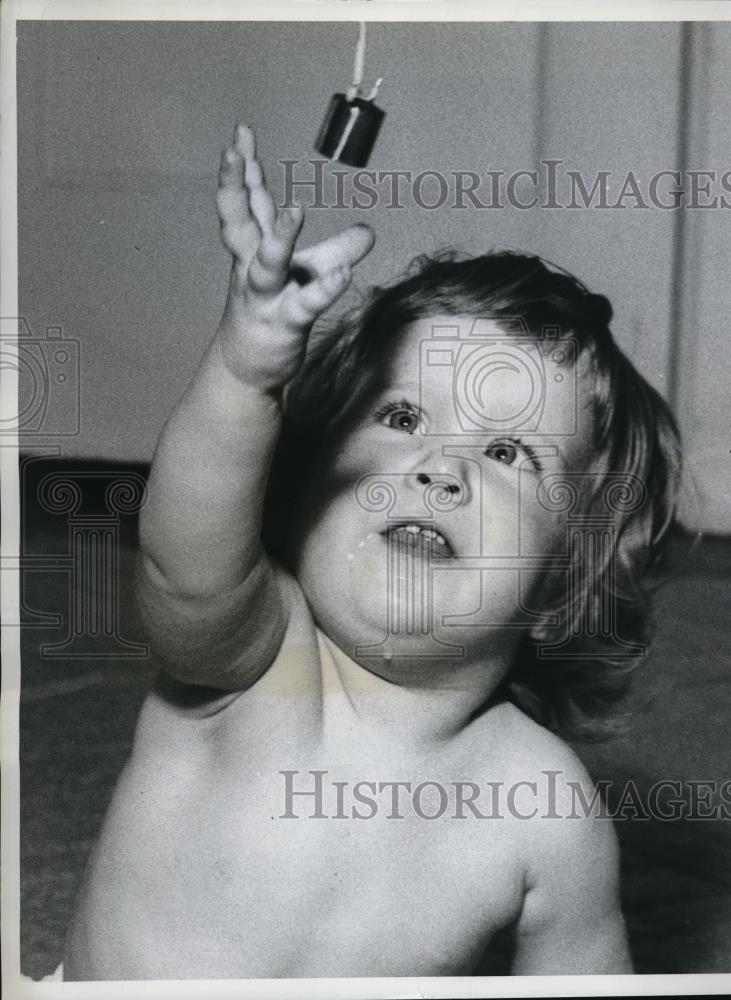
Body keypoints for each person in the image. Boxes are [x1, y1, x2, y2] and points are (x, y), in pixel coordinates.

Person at [63, 124, 680, 979]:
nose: (439, 469)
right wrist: (247, 376)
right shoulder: (258, 659)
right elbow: (184, 553)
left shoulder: (546, 807)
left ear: (561, 578)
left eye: (507, 454)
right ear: (306, 483)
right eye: (401, 419)